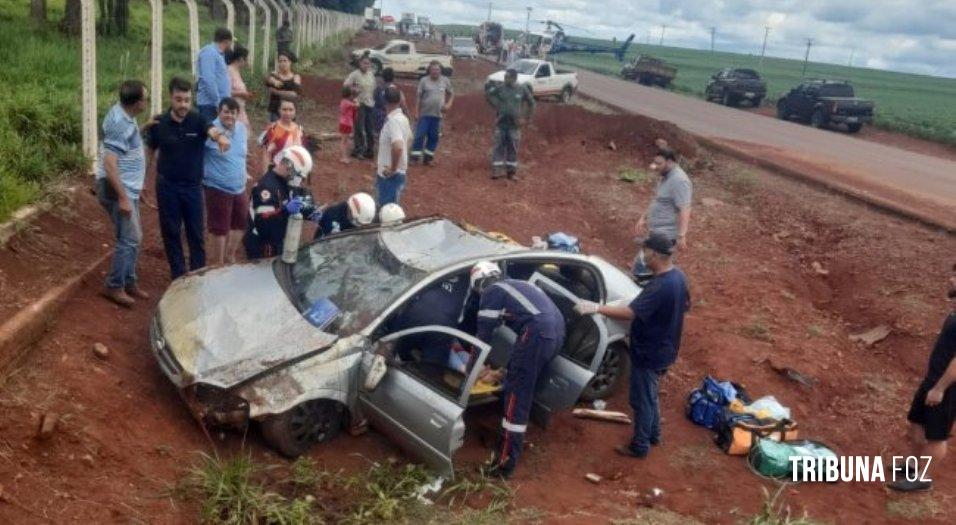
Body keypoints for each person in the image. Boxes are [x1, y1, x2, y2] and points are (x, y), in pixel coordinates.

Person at [576, 234, 690, 459]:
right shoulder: (678, 277)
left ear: (655, 254)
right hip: (665, 347)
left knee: (642, 400)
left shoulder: (660, 286)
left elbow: (630, 313)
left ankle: (640, 446)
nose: (643, 254)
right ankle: (654, 434)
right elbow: (684, 306)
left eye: (645, 250)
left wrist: (596, 308)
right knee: (650, 394)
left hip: (649, 351)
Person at [468, 261, 566, 478]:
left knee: (516, 396)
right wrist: (501, 371)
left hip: (537, 332)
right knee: (521, 380)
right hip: (557, 332)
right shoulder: (516, 284)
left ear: (479, 284)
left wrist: (470, 374)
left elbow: (482, 339)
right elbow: (523, 352)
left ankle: (504, 463)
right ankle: (513, 441)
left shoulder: (492, 292)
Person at [147, 77, 230, 279]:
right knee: (171, 233)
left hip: (193, 188)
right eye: (179, 99)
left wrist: (220, 138)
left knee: (195, 234)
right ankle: (178, 276)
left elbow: (211, 130)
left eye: (187, 100)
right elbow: (150, 151)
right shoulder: (159, 123)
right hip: (167, 187)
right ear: (170, 97)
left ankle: (197, 277)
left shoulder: (198, 119)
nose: (183, 104)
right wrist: (141, 181)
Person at [888, 264, 956, 492]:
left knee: (937, 436)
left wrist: (940, 388)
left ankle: (922, 477)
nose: (951, 280)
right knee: (916, 424)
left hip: (946, 386)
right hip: (933, 380)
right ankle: (911, 464)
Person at [95, 80, 149, 307]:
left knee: (133, 238)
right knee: (129, 238)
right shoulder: (119, 123)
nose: (147, 101)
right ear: (137, 103)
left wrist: (144, 127)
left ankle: (128, 280)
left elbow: (125, 142)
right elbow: (109, 164)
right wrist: (124, 197)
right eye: (145, 98)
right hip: (118, 189)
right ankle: (114, 285)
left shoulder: (127, 116)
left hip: (128, 187)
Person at [243, 146, 315, 259]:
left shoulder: (289, 181)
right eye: (296, 174)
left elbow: (303, 198)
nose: (298, 180)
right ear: (288, 165)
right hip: (263, 245)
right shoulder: (266, 187)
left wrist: (310, 211)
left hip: (280, 239)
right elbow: (264, 225)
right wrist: (285, 211)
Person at [202, 98, 248, 266]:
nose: (230, 115)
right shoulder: (211, 131)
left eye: (233, 112)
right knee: (219, 228)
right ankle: (217, 263)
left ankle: (230, 256)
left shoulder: (242, 129)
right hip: (218, 187)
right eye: (226, 112)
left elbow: (242, 154)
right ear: (219, 112)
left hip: (239, 187)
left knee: (241, 222)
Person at [635, 148, 693, 251]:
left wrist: (681, 235)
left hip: (665, 236)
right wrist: (643, 217)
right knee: (645, 262)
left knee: (649, 263)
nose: (654, 166)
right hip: (655, 232)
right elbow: (657, 199)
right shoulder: (665, 176)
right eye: (654, 162)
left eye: (659, 164)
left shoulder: (679, 181)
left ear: (669, 162)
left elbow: (685, 208)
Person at [485, 68, 535, 180]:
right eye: (504, 77)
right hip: (501, 123)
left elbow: (531, 103)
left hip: (514, 125)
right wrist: (496, 105)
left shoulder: (522, 89)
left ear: (514, 78)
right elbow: (488, 94)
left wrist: (526, 118)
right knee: (498, 147)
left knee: (513, 148)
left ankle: (511, 172)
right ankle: (496, 171)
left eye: (507, 77)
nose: (504, 79)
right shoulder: (501, 88)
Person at [411, 61, 454, 166]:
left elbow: (452, 93)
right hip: (425, 114)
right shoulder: (423, 81)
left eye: (437, 69)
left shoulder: (445, 81)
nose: (435, 72)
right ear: (429, 70)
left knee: (434, 137)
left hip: (438, 116)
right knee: (419, 135)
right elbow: (418, 97)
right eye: (433, 69)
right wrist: (416, 111)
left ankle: (428, 159)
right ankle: (414, 158)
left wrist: (448, 105)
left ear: (441, 70)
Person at [376, 86, 413, 206]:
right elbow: (409, 139)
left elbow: (398, 146)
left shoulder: (393, 121)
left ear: (384, 101)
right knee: (393, 208)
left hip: (390, 176)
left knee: (386, 211)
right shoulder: (403, 119)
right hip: (399, 173)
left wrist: (392, 168)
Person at [196, 27, 233, 121]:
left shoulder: (219, 54)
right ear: (227, 41)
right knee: (210, 132)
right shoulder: (209, 53)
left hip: (218, 104)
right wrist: (218, 103)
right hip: (210, 105)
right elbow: (209, 80)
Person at [344, 55, 376, 159]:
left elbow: (373, 88)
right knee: (359, 128)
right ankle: (358, 150)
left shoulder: (371, 74)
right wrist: (353, 93)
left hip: (370, 104)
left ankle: (370, 150)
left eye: (368, 63)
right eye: (364, 63)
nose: (366, 65)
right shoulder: (355, 75)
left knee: (370, 129)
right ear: (359, 63)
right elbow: (346, 85)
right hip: (359, 104)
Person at [258, 99, 303, 171]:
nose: (287, 113)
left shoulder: (299, 130)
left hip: (294, 172)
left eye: (291, 110)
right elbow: (266, 155)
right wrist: (266, 177)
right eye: (284, 110)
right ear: (279, 110)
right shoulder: (273, 129)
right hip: (276, 171)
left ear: (295, 111)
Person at [265, 51, 301, 123]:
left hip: (289, 112)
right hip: (274, 111)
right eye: (280, 61)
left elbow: (294, 95)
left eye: (285, 61)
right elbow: (267, 80)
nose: (282, 63)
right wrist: (273, 81)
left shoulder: (296, 77)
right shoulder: (274, 75)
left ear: (290, 62)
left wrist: (276, 92)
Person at [225, 45, 253, 129]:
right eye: (246, 59)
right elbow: (225, 91)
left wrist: (245, 95)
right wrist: (241, 93)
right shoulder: (229, 70)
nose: (246, 62)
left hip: (240, 108)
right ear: (241, 59)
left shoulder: (237, 71)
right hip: (231, 109)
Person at [373, 68, 408, 134]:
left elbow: (373, 101)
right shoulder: (396, 91)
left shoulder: (378, 89)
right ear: (393, 78)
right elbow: (403, 105)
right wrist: (407, 117)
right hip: (391, 117)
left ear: (382, 77)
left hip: (378, 117)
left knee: (380, 137)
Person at [339, 86, 358, 164]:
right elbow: (357, 105)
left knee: (345, 140)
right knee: (344, 141)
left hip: (344, 123)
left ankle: (345, 157)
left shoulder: (344, 102)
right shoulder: (347, 103)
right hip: (346, 124)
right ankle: (344, 157)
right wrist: (355, 99)